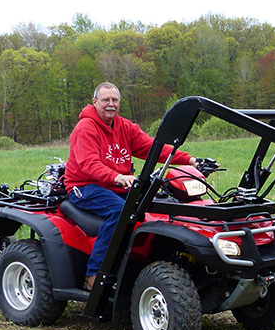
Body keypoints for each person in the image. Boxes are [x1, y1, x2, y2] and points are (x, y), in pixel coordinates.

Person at [65, 82, 196, 290]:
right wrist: (117, 176)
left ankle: (144, 264)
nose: (110, 104)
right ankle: (93, 274)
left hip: (116, 184)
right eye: (106, 100)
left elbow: (153, 148)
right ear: (95, 102)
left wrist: (188, 160)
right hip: (85, 185)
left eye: (114, 100)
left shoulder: (124, 126)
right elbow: (88, 165)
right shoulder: (85, 128)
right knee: (119, 212)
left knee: (153, 207)